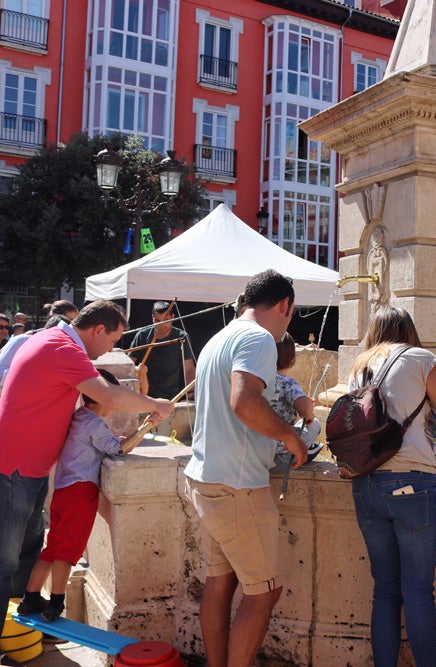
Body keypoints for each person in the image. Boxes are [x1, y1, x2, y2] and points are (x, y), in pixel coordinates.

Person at [0, 300, 173, 657]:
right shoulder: (63, 347)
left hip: (28, 468)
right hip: (11, 467)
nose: (111, 349)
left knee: (24, 555)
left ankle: (18, 627)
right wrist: (154, 404)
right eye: (112, 340)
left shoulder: (55, 340)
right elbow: (106, 395)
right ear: (98, 329)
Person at [184, 269, 308, 667]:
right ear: (284, 305)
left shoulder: (219, 338)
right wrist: (290, 436)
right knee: (264, 591)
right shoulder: (258, 339)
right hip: (238, 485)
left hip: (207, 478)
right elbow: (244, 401)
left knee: (219, 584)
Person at [347, 306, 436, 667]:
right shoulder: (423, 360)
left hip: (366, 483)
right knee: (417, 591)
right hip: (413, 483)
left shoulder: (359, 364)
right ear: (409, 330)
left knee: (384, 590)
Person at [18, 369, 124, 622]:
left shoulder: (76, 417)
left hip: (62, 492)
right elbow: (118, 449)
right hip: (81, 493)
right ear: (99, 398)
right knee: (66, 553)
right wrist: (143, 430)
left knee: (52, 548)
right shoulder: (95, 423)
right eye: (112, 397)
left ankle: (30, 597)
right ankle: (55, 605)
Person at [268, 333, 323, 470]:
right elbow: (304, 410)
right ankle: (306, 451)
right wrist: (309, 413)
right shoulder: (287, 383)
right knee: (315, 425)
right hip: (280, 458)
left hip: (255, 457)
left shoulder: (257, 381)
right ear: (292, 360)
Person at [128, 301, 197, 400]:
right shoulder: (142, 335)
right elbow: (129, 364)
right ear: (152, 318)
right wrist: (139, 372)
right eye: (157, 321)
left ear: (173, 317)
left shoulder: (181, 337)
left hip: (171, 397)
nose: (161, 325)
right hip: (145, 396)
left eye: (166, 320)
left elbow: (189, 368)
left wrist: (191, 391)